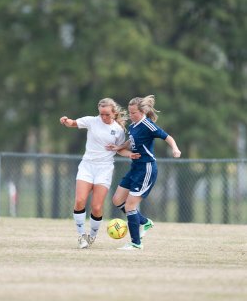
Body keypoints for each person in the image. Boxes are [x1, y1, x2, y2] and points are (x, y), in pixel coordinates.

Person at [60, 98, 138, 249]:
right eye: (101, 114)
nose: (103, 117)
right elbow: (73, 123)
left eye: (107, 114)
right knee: (80, 201)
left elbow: (120, 148)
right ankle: (81, 236)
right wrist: (66, 121)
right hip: (87, 166)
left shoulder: (119, 130)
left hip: (104, 169)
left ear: (114, 113)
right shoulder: (91, 121)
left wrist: (129, 154)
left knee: (96, 207)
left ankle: (92, 236)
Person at [106, 95, 181, 251]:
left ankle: (136, 243)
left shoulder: (148, 125)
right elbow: (131, 142)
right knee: (117, 199)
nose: (131, 115)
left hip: (146, 169)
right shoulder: (133, 126)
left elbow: (167, 137)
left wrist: (175, 149)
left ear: (142, 112)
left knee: (130, 206)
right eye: (130, 112)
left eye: (134, 113)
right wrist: (119, 147)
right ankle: (144, 222)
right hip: (135, 168)